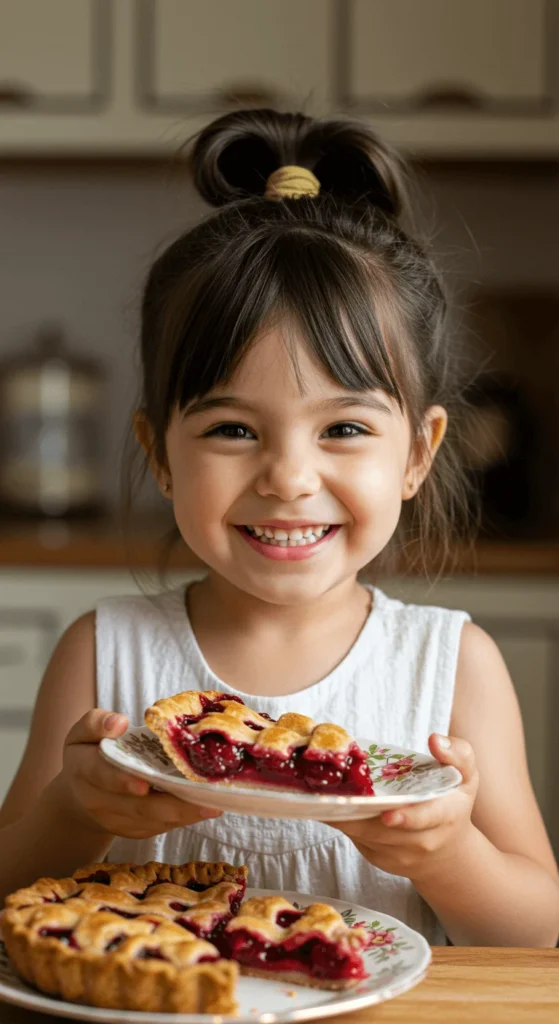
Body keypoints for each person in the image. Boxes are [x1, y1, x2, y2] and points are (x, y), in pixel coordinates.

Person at [0, 109, 557, 947]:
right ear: (159, 452)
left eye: (343, 429)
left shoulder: (449, 668)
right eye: (231, 429)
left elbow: (535, 932)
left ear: (416, 454)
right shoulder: (103, 654)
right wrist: (73, 813)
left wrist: (447, 854)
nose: (288, 478)